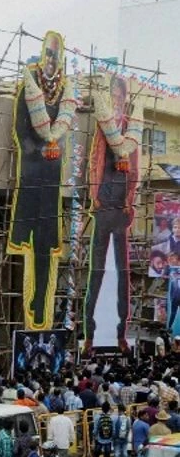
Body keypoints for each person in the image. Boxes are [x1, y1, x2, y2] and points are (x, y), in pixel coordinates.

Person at [8, 31, 69, 328]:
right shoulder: (28, 88)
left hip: (51, 180)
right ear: (42, 56)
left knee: (45, 244)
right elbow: (21, 130)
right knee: (25, 242)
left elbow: (63, 135)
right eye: (47, 55)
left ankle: (40, 301)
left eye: (55, 57)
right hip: (30, 176)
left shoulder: (65, 95)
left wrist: (52, 148)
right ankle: (24, 300)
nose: (50, 61)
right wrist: (38, 149)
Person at [83, 75, 137, 355]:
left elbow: (136, 169)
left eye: (120, 95)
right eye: (113, 95)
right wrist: (94, 195)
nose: (117, 99)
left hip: (121, 208)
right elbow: (95, 160)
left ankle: (120, 333)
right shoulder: (104, 125)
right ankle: (89, 334)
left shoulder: (130, 128)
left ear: (124, 97)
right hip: (104, 204)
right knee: (97, 270)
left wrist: (129, 199)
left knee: (122, 272)